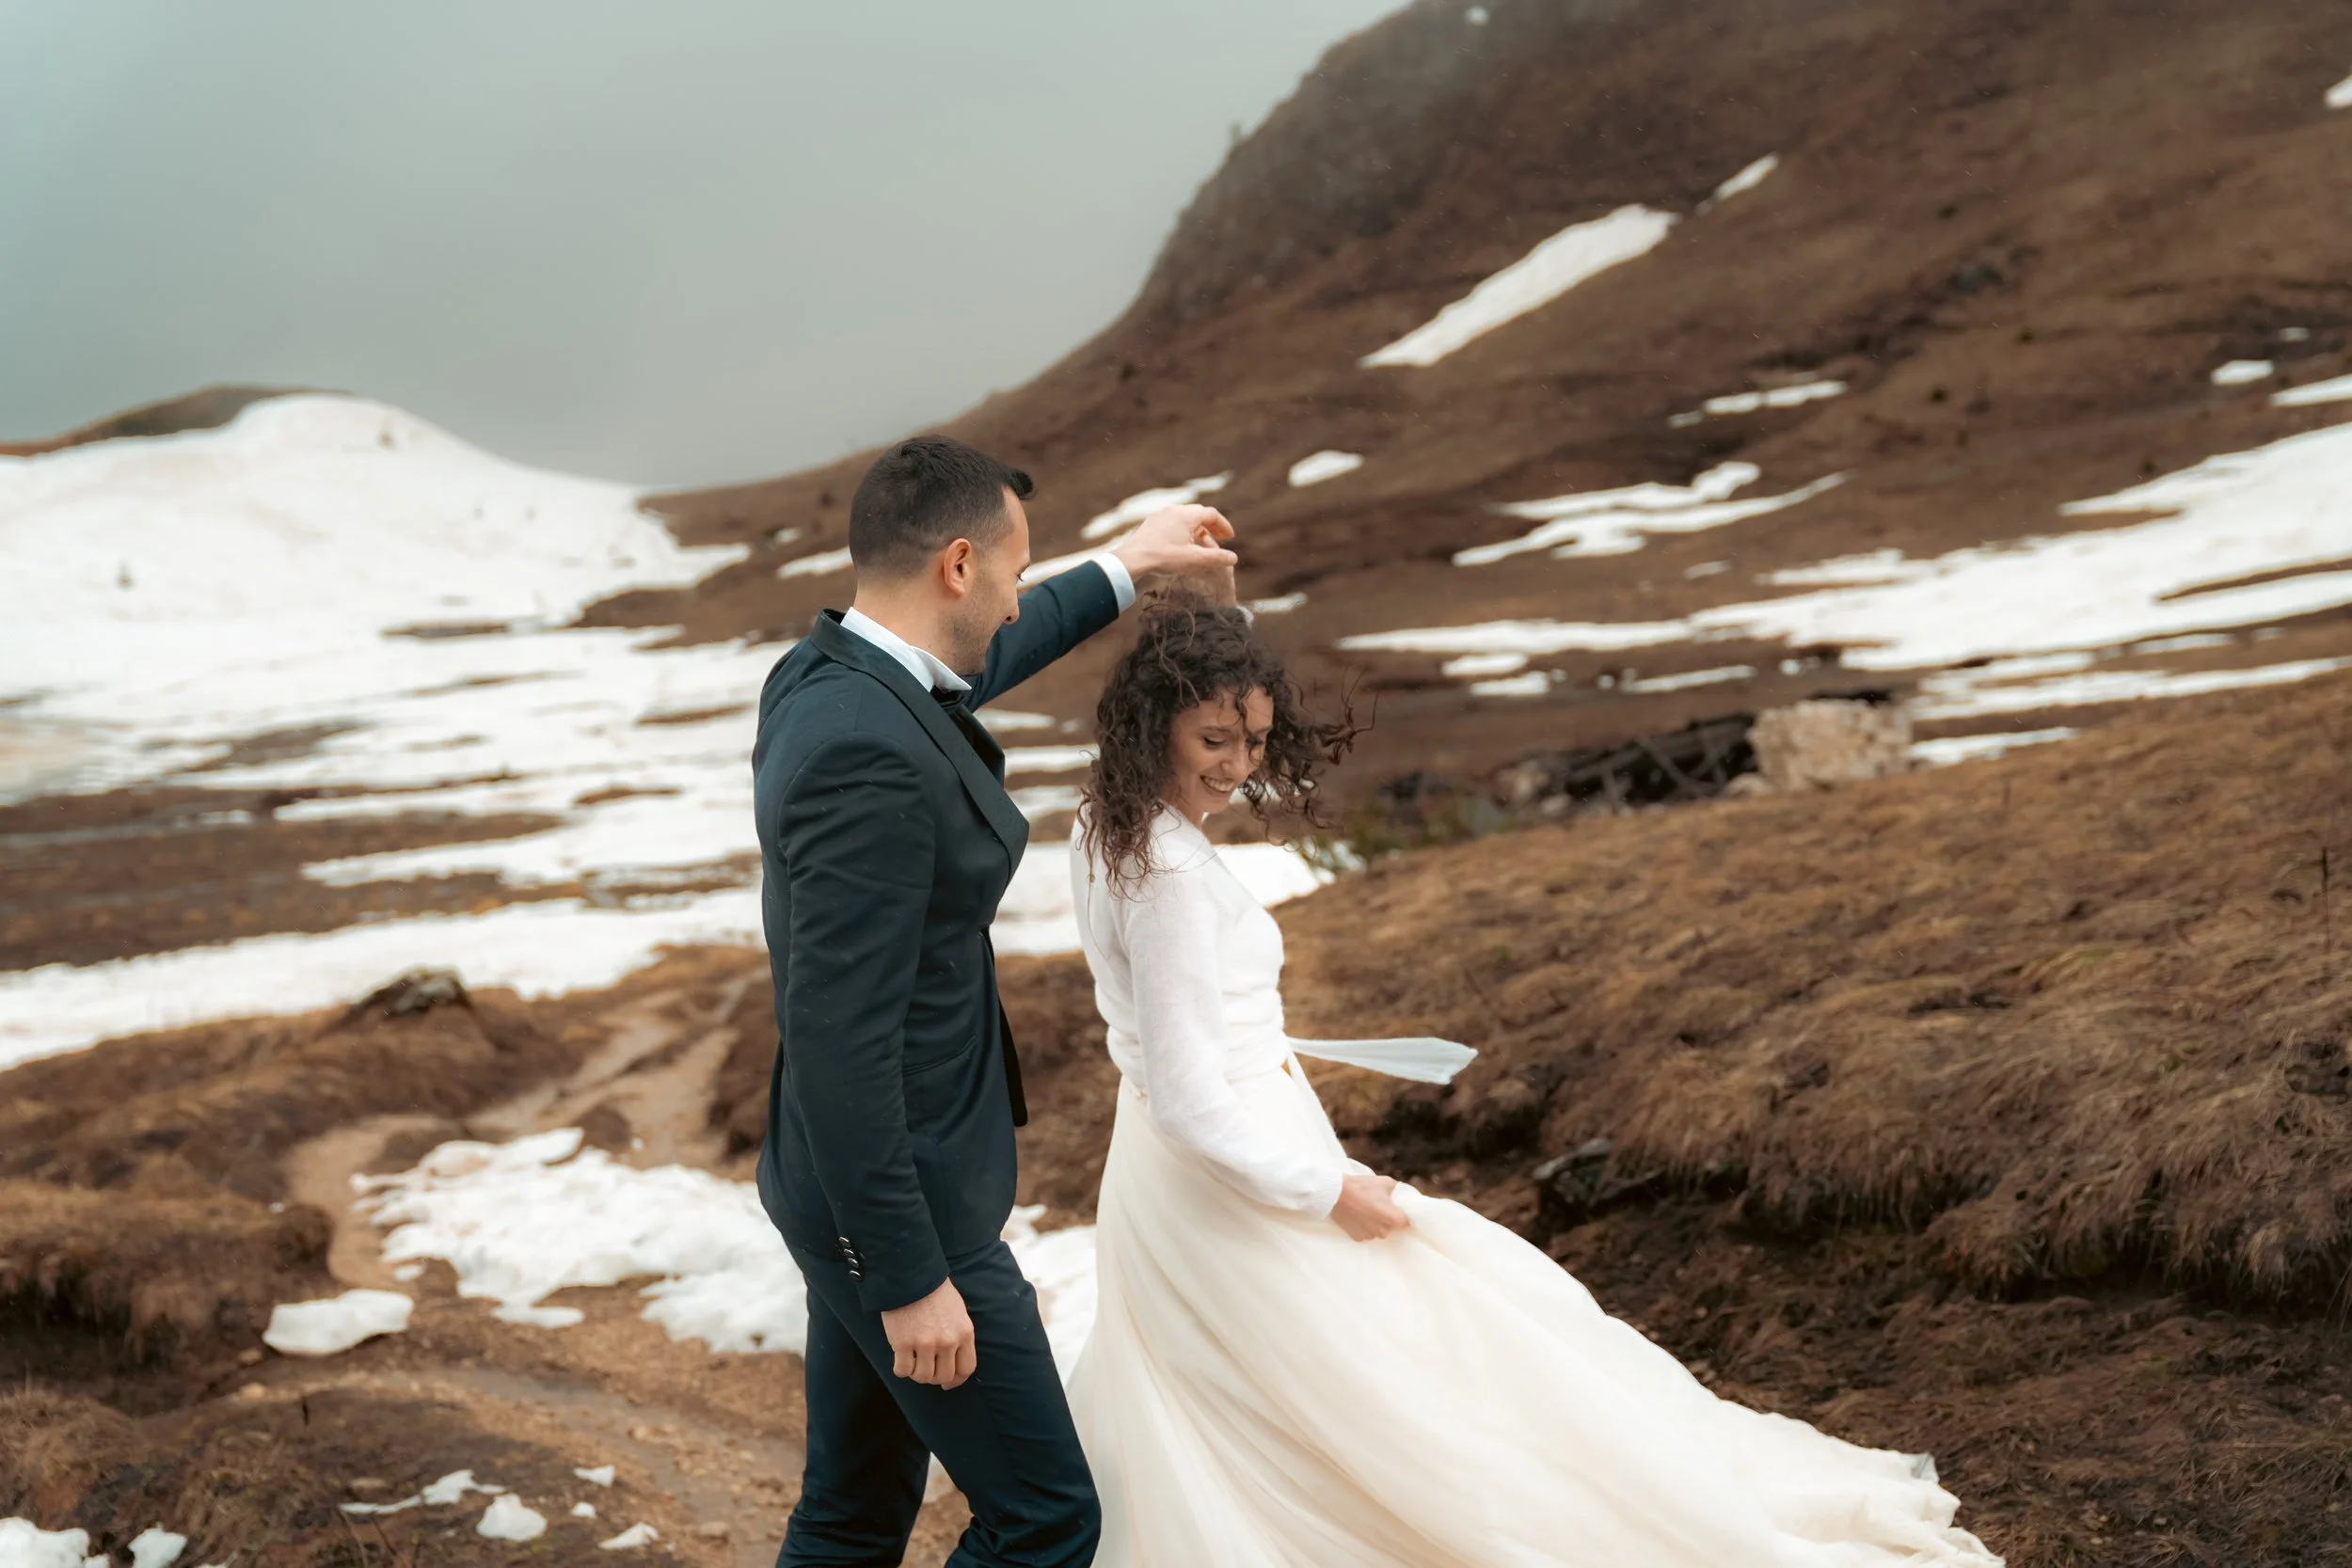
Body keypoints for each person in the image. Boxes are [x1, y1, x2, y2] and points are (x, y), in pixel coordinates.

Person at [1062, 590, 2007, 1568]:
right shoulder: (1166, 874)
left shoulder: (1109, 825)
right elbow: (1187, 1095)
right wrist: (1325, 1188)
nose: (1237, 764)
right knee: (1392, 1377)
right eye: (1215, 737)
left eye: (1253, 741)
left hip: (1172, 1180)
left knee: (1262, 1397)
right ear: (1153, 720)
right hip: (1236, 1176)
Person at [749, 435, 1234, 1568]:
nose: (1020, 593)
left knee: (854, 1508)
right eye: (1015, 572)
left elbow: (973, 668)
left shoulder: (828, 675)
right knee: (1046, 1520)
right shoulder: (863, 753)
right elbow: (838, 1037)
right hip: (898, 1205)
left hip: (846, 1189)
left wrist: (1128, 566)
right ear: (959, 566)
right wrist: (911, 1275)